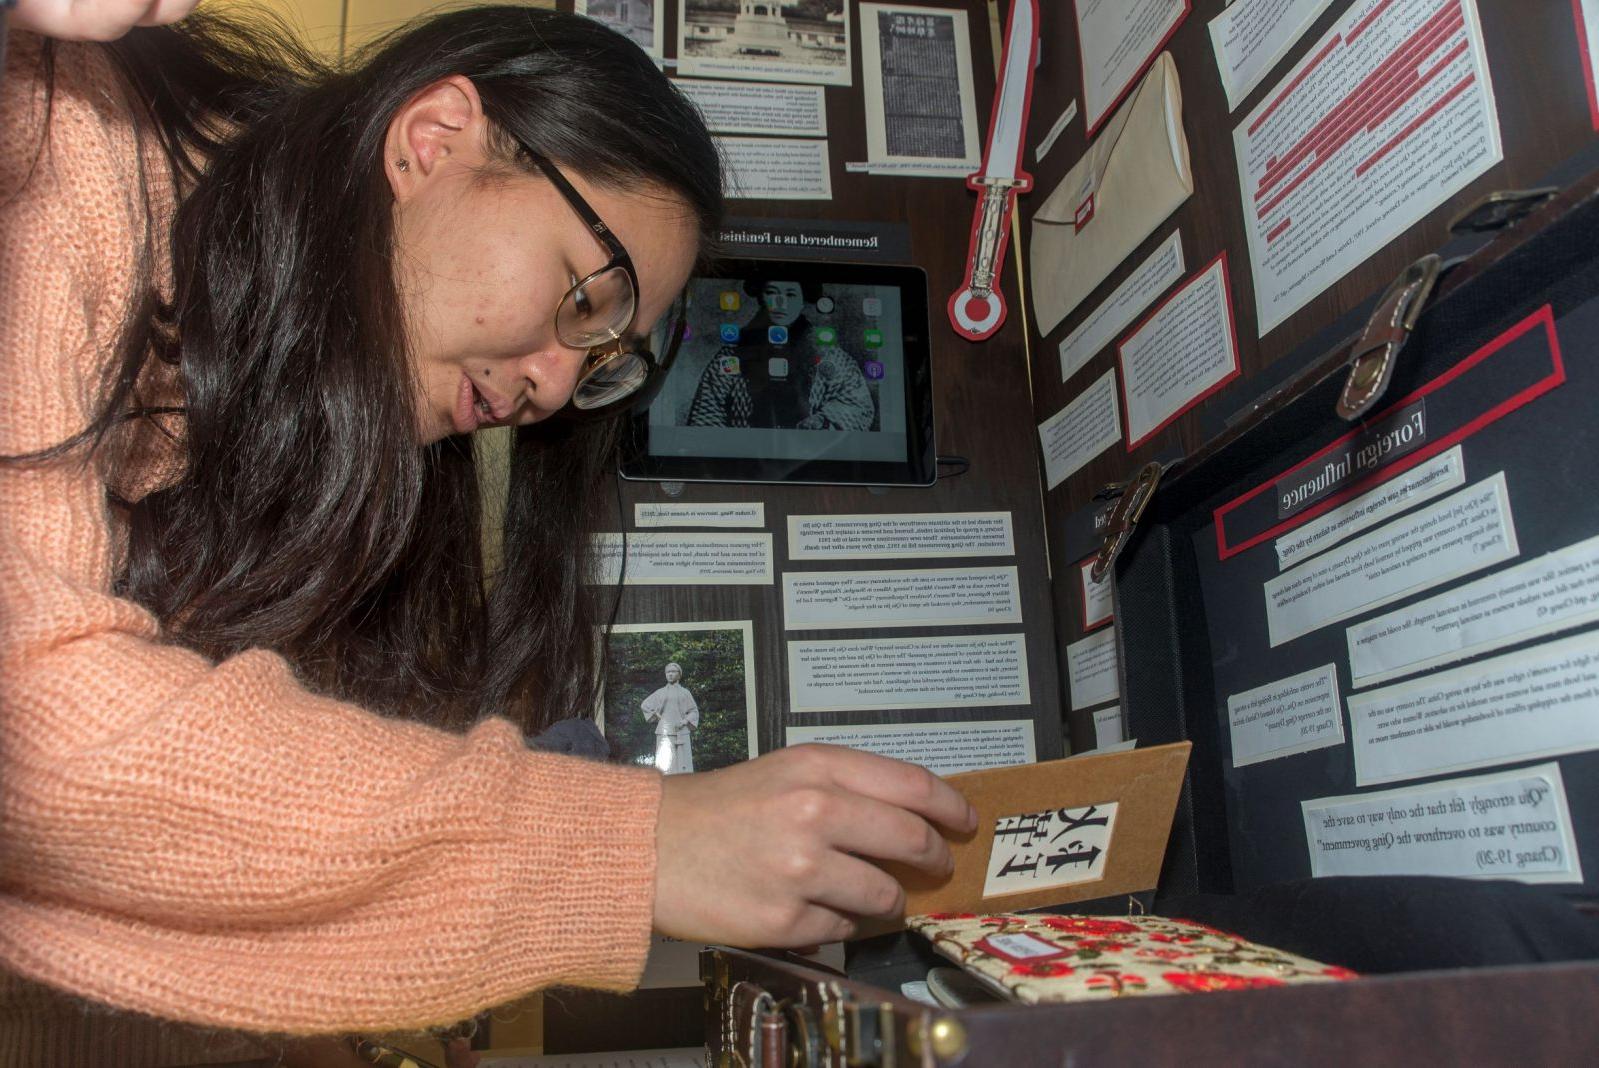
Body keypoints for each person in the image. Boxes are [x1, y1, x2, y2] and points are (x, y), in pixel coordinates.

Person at [0, 2, 977, 1063]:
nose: (558, 386)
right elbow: (38, 733)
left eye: (604, 358)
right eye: (582, 295)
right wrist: (635, 848)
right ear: (434, 143)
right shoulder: (67, 137)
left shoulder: (323, 438)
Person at [686, 278, 875, 430]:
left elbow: (857, 405)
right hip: (745, 461)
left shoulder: (828, 353)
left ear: (802, 301)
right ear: (761, 297)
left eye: (790, 294)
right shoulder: (733, 352)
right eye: (771, 293)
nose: (780, 302)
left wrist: (822, 422)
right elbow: (708, 408)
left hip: (811, 459)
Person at [640, 662, 699, 774]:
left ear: (679, 674)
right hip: (664, 731)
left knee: (683, 764)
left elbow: (694, 711)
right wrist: (656, 715)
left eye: (673, 672)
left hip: (682, 731)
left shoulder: (685, 693)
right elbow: (645, 705)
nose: (670, 674)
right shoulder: (660, 692)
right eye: (668, 672)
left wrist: (685, 721)